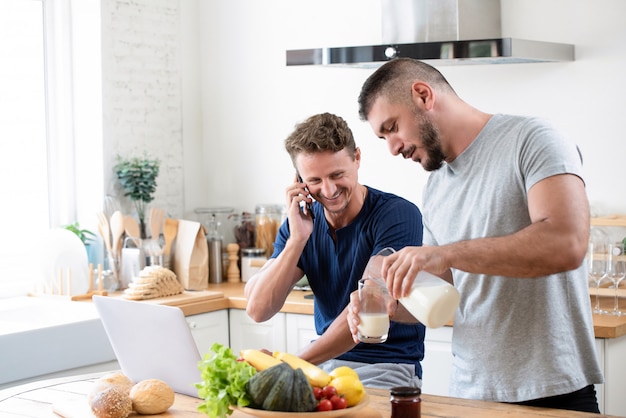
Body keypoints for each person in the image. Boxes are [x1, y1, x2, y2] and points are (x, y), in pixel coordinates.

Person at [346, 58, 603, 412]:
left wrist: (446, 253)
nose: (392, 148)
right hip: (471, 395)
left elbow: (566, 243)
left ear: (422, 95)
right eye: (382, 137)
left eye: (392, 128)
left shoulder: (532, 140)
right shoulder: (436, 188)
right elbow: (444, 290)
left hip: (553, 391)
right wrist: (386, 304)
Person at [245, 112, 426, 389]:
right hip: (322, 365)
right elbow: (258, 310)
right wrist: (297, 240)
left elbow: (368, 305)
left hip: (385, 367)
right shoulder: (301, 225)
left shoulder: (397, 215)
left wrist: (290, 364)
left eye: (337, 174)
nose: (328, 190)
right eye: (314, 180)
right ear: (299, 180)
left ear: (357, 159)